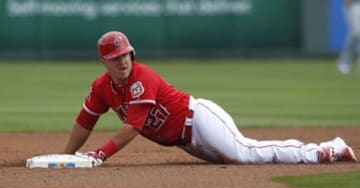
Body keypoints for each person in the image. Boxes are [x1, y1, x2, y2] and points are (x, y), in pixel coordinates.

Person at [64, 31, 357, 166]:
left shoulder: (142, 78)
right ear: (104, 62)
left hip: (199, 119)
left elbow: (132, 127)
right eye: (115, 58)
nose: (122, 61)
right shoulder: (101, 88)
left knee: (246, 153)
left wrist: (100, 154)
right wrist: (67, 155)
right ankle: (322, 151)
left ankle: (325, 150)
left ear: (132, 53)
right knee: (238, 159)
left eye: (125, 54)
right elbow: (84, 120)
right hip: (186, 140)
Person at [338, 0, 360, 74]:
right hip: (352, 7)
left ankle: (344, 62)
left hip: (356, 5)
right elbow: (347, 1)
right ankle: (344, 62)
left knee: (356, 34)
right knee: (356, 32)